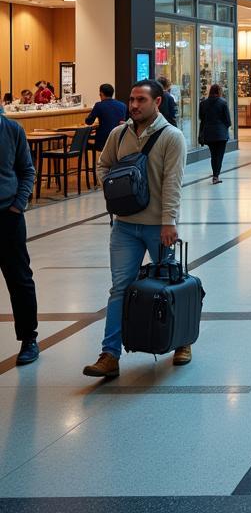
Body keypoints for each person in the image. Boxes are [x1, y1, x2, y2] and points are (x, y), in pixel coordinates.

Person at [84, 79, 188, 378]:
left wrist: (169, 221)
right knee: (119, 289)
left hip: (158, 226)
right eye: (131, 99)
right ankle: (109, 355)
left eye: (141, 100)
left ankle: (182, 340)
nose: (134, 105)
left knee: (170, 284)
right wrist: (114, 187)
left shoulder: (172, 137)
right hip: (125, 226)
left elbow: (173, 183)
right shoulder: (119, 134)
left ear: (157, 103)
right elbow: (102, 166)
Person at [0, 89, 39, 366]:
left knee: (19, 279)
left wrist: (17, 206)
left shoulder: (12, 130)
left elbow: (27, 170)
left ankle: (29, 338)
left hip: (8, 215)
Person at [198, 83, 231, 183]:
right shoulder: (223, 103)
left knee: (213, 155)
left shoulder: (203, 103)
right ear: (219, 92)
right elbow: (228, 121)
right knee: (219, 155)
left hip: (209, 133)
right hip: (221, 134)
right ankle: (216, 176)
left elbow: (201, 118)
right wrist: (225, 126)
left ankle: (215, 174)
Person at [85, 84, 128, 150]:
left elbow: (89, 122)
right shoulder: (123, 105)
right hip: (120, 139)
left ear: (101, 93)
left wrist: (87, 116)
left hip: (103, 141)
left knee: (84, 143)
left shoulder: (99, 105)